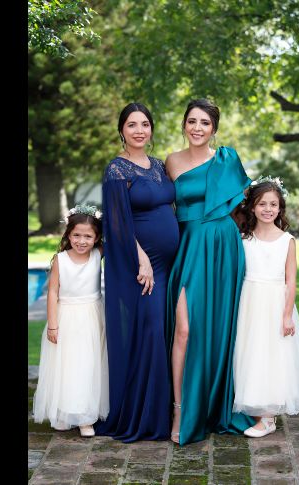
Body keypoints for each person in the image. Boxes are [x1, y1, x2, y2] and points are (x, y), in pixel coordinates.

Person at [164, 98, 255, 445]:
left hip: (221, 245)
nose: (197, 128)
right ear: (184, 125)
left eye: (204, 122)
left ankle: (214, 405)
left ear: (214, 129)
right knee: (184, 329)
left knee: (217, 328)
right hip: (187, 246)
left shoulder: (226, 159)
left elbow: (245, 205)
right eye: (192, 121)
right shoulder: (171, 161)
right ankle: (179, 407)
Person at [95, 103, 180, 442]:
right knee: (150, 331)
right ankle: (145, 417)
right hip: (142, 266)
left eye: (145, 124)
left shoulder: (159, 166)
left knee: (163, 332)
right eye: (132, 125)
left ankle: (158, 410)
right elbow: (116, 222)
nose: (140, 130)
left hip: (173, 263)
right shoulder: (116, 170)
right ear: (122, 130)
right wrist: (141, 258)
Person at [232, 177, 299, 437]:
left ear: (280, 208)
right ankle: (256, 406)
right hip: (250, 302)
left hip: (275, 303)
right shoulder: (244, 238)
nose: (267, 209)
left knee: (273, 356)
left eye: (273, 204)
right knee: (252, 353)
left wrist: (287, 315)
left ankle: (267, 417)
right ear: (252, 207)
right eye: (261, 203)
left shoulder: (287, 240)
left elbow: (291, 280)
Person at [32, 206, 108, 437]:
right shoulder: (60, 260)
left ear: (96, 238)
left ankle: (86, 417)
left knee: (88, 365)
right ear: (68, 235)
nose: (82, 241)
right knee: (67, 366)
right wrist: (53, 325)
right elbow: (53, 292)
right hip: (66, 317)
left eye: (88, 236)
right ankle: (65, 413)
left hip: (92, 316)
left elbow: (117, 234)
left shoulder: (98, 254)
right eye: (76, 235)